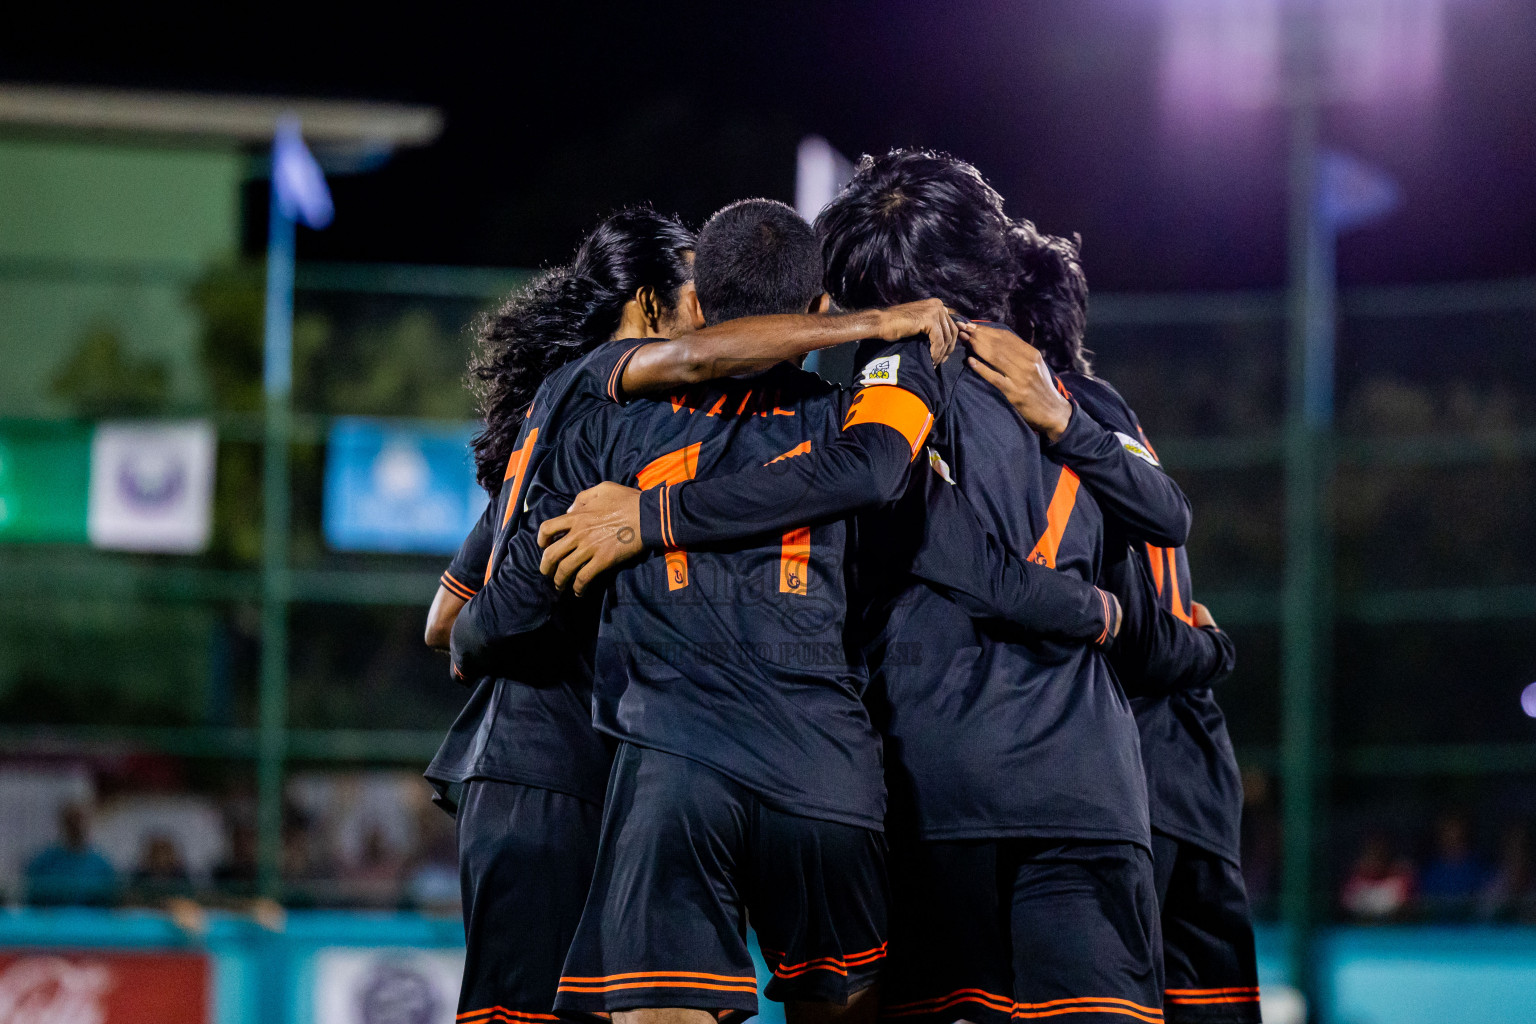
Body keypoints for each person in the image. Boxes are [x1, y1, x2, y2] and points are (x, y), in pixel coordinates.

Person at [455, 199, 1119, 1024]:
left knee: (659, 1007)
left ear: (697, 309)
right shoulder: (854, 416)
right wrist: (1093, 609)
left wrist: (473, 632)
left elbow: (513, 607)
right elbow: (911, 522)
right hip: (827, 778)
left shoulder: (604, 420)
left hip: (676, 769)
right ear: (816, 313)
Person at [25, 803, 118, 907]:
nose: (76, 827)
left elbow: (111, 905)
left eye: (79, 821)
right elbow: (32, 903)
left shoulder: (102, 866)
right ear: (64, 825)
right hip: (51, 921)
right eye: (71, 822)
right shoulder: (43, 863)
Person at [1418, 813, 1491, 920]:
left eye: (1455, 831)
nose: (1451, 837)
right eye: (1447, 831)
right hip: (1436, 930)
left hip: (1473, 929)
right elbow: (1424, 906)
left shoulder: (1479, 868)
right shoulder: (1430, 872)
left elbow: (1484, 903)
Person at [1341, 831, 1415, 922]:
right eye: (1370, 854)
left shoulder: (1398, 881)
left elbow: (1402, 910)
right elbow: (1348, 908)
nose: (1374, 860)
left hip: (1393, 931)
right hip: (1360, 931)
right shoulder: (1355, 883)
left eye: (1379, 854)